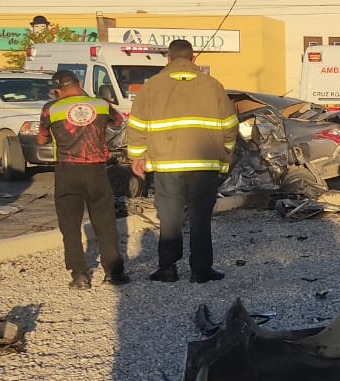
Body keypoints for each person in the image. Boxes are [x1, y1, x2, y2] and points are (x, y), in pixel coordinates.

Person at [126, 39, 238, 283]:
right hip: (204, 165)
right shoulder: (212, 85)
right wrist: (226, 154)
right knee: (200, 218)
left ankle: (167, 268)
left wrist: (137, 157)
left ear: (168, 58)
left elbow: (136, 125)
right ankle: (201, 270)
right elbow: (230, 125)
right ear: (193, 58)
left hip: (166, 165)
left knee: (169, 218)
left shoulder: (152, 86)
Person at [37, 70, 130, 289]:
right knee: (105, 223)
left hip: (67, 171)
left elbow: (41, 140)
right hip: (96, 171)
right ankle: (113, 273)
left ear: (58, 90)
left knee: (70, 226)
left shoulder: (51, 109)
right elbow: (117, 124)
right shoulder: (101, 104)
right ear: (79, 83)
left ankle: (79, 276)